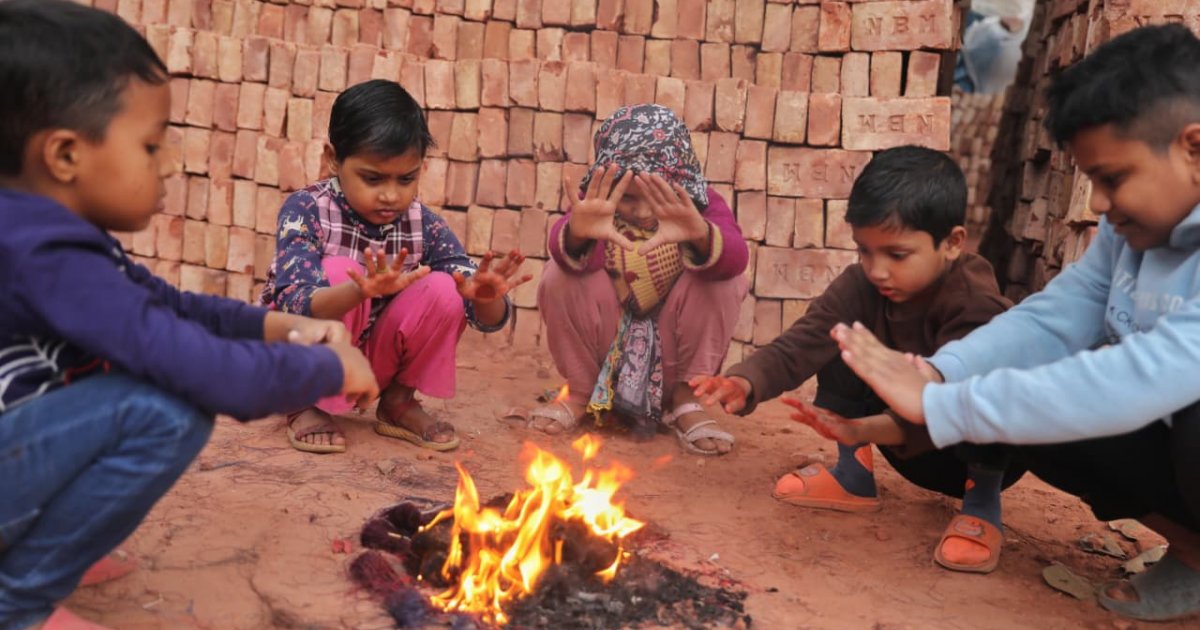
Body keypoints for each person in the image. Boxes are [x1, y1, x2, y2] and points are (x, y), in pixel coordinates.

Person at [0, 2, 378, 628]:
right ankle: (17, 604)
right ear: (65, 155)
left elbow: (170, 306)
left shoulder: (43, 234)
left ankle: (47, 542)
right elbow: (207, 372)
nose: (170, 163)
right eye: (151, 145)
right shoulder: (45, 255)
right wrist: (328, 369)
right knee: (163, 409)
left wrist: (284, 326)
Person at [830, 24, 1200, 622]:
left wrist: (944, 407)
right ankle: (1195, 555)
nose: (1097, 204)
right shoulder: (1130, 231)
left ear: (1194, 148)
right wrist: (941, 373)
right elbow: (1056, 317)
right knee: (1034, 396)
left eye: (1112, 178)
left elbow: (1143, 377)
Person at [692, 145, 1023, 573]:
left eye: (897, 255)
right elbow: (804, 341)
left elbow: (955, 407)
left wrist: (862, 427)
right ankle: (853, 477)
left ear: (952, 243)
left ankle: (981, 507)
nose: (877, 270)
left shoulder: (975, 303)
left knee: (995, 379)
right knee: (841, 336)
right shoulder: (861, 287)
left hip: (961, 457)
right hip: (897, 441)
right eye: (865, 251)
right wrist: (745, 381)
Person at [261, 79, 531, 454]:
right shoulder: (307, 209)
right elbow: (295, 302)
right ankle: (304, 402)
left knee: (446, 287)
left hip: (369, 362)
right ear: (333, 159)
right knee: (339, 272)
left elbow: (483, 316)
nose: (391, 195)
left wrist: (484, 296)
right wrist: (357, 290)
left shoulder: (424, 225)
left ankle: (397, 402)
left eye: (406, 179)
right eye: (372, 178)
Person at [533, 104, 749, 455]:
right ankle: (580, 393)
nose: (643, 211)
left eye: (657, 196)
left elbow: (737, 257)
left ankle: (685, 401)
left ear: (682, 182)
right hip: (607, 353)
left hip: (672, 354)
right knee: (559, 275)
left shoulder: (701, 205)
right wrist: (577, 233)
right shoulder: (597, 203)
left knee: (727, 281)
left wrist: (700, 234)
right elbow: (564, 254)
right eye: (630, 199)